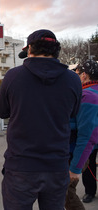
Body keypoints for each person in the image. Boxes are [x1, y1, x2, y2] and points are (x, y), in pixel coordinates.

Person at [0, 29, 82, 210]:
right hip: (57, 166)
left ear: (29, 50)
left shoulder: (13, 76)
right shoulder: (73, 80)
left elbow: (3, 112)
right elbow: (73, 113)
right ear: (56, 50)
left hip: (21, 165)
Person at [66, 59, 98, 209]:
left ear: (84, 75)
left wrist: (75, 168)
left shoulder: (88, 96)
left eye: (77, 74)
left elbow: (87, 136)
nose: (76, 77)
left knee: (66, 193)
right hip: (85, 148)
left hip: (80, 151)